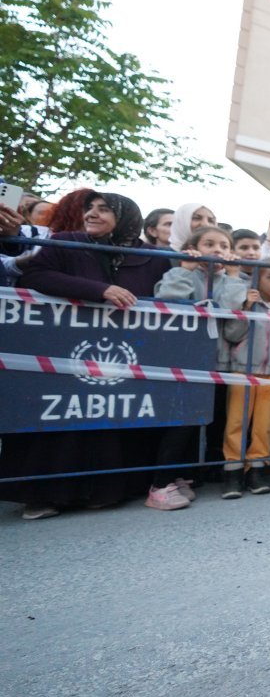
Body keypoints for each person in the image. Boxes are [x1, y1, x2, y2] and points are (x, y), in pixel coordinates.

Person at [1, 192, 173, 518]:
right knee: (60, 420)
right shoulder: (66, 242)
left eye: (103, 209)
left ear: (125, 217)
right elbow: (35, 275)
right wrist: (99, 291)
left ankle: (106, 491)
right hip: (64, 353)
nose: (92, 214)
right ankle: (46, 496)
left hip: (126, 356)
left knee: (111, 420)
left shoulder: (154, 256)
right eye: (89, 208)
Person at [153, 225, 242, 506]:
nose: (217, 250)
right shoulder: (182, 272)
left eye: (224, 246)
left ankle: (182, 477)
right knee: (182, 421)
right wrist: (185, 269)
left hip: (219, 361)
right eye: (209, 244)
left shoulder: (232, 280)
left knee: (204, 418)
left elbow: (233, 324)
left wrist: (233, 276)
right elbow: (168, 301)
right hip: (185, 361)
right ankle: (159, 485)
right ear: (194, 247)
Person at [216, 259, 270, 498]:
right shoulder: (249, 302)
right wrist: (245, 308)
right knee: (236, 421)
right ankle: (233, 471)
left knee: (265, 425)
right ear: (257, 279)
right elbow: (232, 333)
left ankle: (257, 468)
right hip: (243, 371)